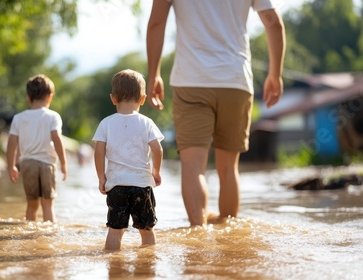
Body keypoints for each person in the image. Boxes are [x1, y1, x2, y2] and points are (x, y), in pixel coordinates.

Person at [146, 0, 285, 225]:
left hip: (191, 80)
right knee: (229, 168)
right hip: (236, 81)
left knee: (193, 167)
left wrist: (154, 74)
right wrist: (275, 74)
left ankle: (197, 235)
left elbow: (156, 23)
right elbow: (273, 23)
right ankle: (227, 236)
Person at [93, 69, 164, 250]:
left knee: (115, 231)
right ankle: (147, 267)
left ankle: (113, 267)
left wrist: (101, 176)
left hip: (117, 186)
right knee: (147, 230)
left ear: (113, 98)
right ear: (142, 99)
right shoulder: (146, 122)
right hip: (141, 184)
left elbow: (98, 152)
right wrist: (156, 171)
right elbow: (157, 149)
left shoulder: (106, 123)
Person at [6, 74, 68, 222]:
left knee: (31, 206)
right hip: (47, 164)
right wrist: (64, 163)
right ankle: (48, 237)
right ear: (49, 97)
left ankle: (29, 236)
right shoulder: (53, 116)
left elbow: (11, 143)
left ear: (28, 97)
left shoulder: (18, 118)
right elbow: (57, 139)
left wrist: (11, 167)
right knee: (48, 206)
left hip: (27, 164)